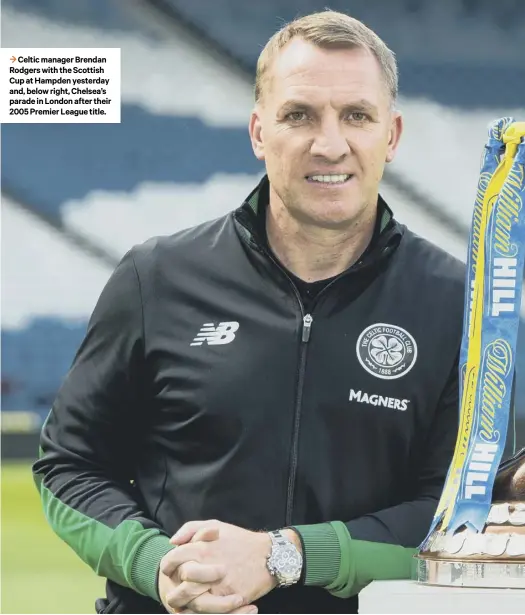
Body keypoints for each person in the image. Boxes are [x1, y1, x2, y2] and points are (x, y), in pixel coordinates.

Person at [33, 9, 466, 615]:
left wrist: (281, 555)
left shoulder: (456, 301)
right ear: (259, 132)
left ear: (390, 136)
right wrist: (161, 566)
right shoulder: (155, 277)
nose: (330, 143)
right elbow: (70, 468)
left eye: (357, 116)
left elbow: (456, 517)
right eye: (299, 115)